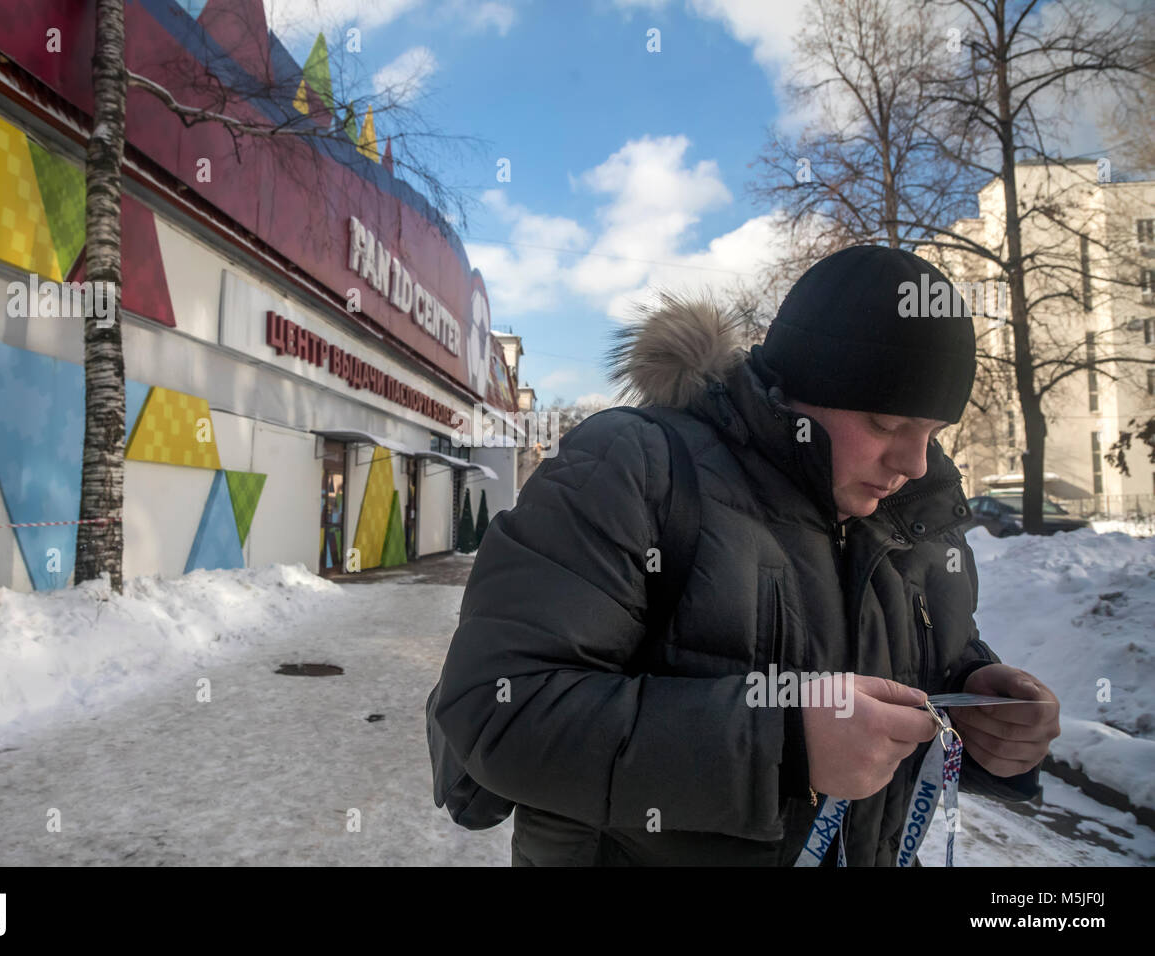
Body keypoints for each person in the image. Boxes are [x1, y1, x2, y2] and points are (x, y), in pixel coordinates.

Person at [430, 245, 1061, 866]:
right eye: (884, 423)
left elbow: (908, 664)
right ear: (801, 389)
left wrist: (976, 707)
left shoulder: (915, 518)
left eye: (932, 433)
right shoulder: (637, 470)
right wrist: (782, 745)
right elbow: (499, 710)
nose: (915, 462)